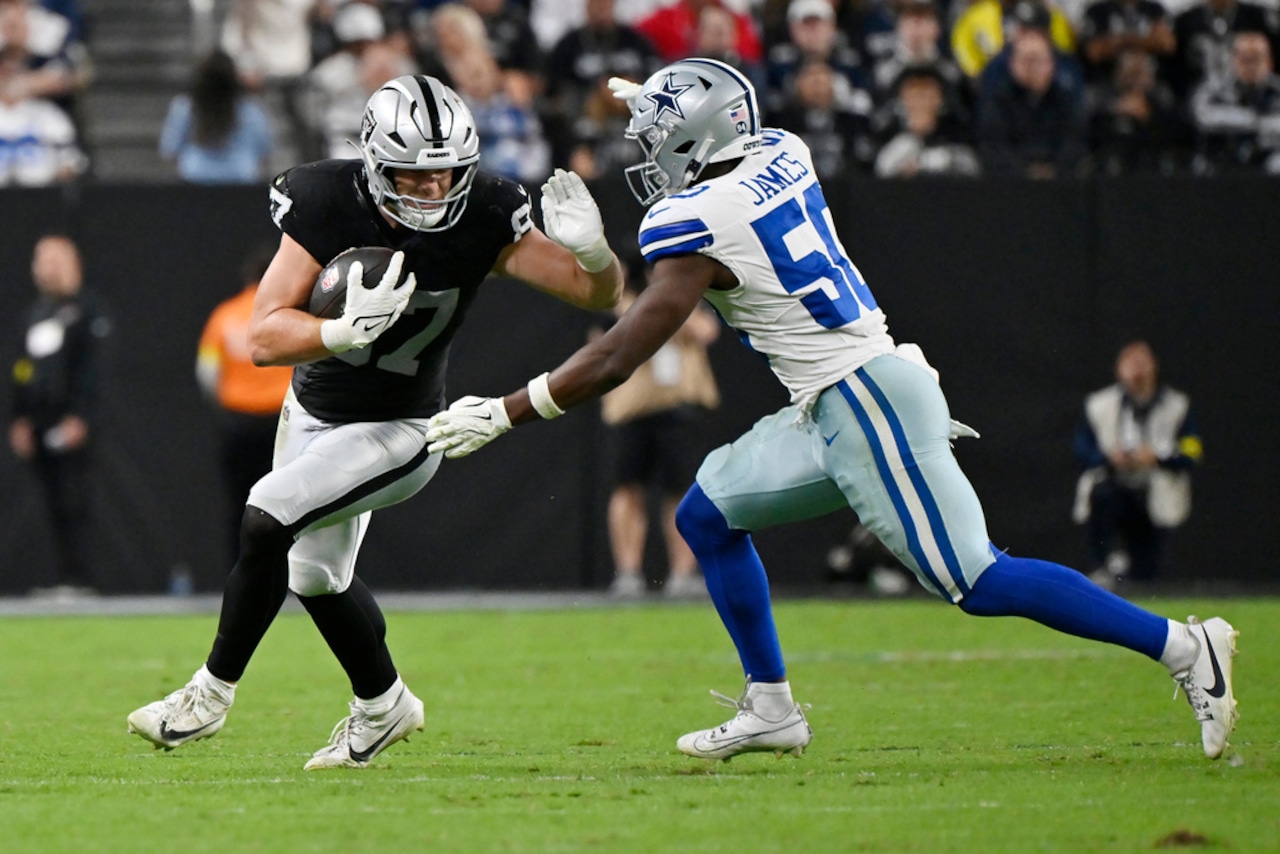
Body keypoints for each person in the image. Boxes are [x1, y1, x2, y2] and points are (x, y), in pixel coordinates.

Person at [425, 57, 1240, 763]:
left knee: (977, 578)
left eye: (656, 139)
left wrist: (506, 411)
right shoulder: (784, 149)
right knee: (707, 515)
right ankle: (770, 707)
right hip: (835, 400)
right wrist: (655, 97)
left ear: (696, 140)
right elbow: (729, 129)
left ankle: (1182, 646)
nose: (646, 156)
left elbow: (618, 354)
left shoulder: (693, 221)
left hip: (867, 400)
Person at [126, 74, 623, 770]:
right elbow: (264, 337)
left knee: (268, 514)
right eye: (412, 175)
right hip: (313, 407)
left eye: (445, 172)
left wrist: (598, 257)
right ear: (373, 162)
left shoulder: (486, 210)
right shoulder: (325, 199)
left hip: (402, 427)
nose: (432, 188)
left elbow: (592, 291)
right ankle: (385, 704)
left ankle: (208, 694)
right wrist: (337, 335)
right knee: (316, 577)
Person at [602, 262, 720, 599]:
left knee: (682, 492)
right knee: (627, 488)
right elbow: (620, 331)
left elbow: (706, 332)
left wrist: (671, 303)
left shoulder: (687, 301)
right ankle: (627, 572)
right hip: (633, 410)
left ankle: (683, 574)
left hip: (679, 411)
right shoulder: (621, 304)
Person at [7, 234, 110, 597]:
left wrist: (81, 416)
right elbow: (22, 367)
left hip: (72, 422)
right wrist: (18, 416)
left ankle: (82, 579)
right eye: (39, 260)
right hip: (40, 423)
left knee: (75, 498)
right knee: (52, 500)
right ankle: (65, 577)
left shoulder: (87, 311)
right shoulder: (35, 314)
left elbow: (93, 370)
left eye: (50, 260)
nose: (42, 269)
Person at [1073, 341, 1202, 588]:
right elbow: (1082, 448)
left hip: (1156, 491)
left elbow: (1192, 449)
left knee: (1146, 570)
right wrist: (1109, 458)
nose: (1137, 372)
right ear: (1118, 370)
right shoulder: (1099, 405)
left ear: (1154, 366)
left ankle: (1142, 583)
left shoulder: (1177, 405)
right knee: (1103, 497)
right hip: (1113, 486)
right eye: (1130, 365)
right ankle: (1105, 565)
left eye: (1142, 364)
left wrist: (1158, 457)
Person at [196, 246, 294, 562]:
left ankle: (239, 574)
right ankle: (288, 575)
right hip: (283, 424)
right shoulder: (287, 313)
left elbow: (207, 373)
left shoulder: (224, 316)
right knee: (288, 504)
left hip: (238, 424)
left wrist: (227, 405)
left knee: (240, 503)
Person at [159, 50, 275, 184]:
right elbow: (265, 151)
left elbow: (169, 151)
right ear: (234, 77)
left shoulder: (184, 107)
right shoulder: (251, 109)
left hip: (195, 179)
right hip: (241, 181)